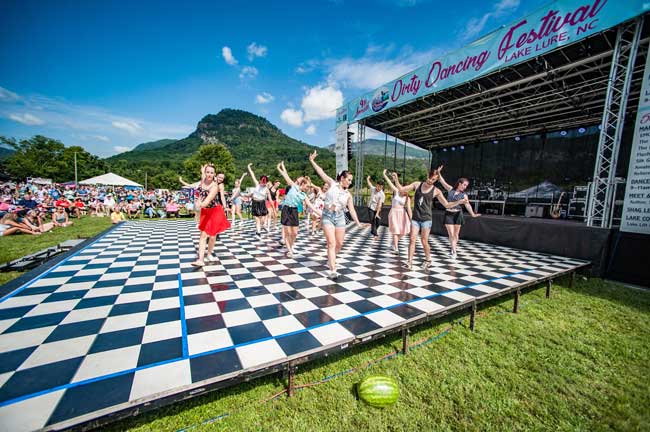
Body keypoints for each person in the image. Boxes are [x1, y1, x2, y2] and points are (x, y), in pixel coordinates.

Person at [394, 168, 468, 270]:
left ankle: (428, 259)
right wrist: (396, 179)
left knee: (424, 241)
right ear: (427, 176)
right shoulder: (417, 184)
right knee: (412, 239)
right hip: (416, 218)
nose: (430, 180)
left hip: (426, 219)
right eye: (429, 178)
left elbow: (446, 205)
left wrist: (458, 202)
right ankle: (409, 261)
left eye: (433, 179)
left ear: (436, 180)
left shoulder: (436, 191)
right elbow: (402, 190)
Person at [309, 150, 364, 279]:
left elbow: (352, 210)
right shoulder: (332, 184)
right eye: (349, 180)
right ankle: (333, 269)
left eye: (351, 180)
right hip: (327, 216)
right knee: (331, 243)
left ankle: (331, 258)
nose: (350, 182)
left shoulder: (348, 195)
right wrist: (312, 161)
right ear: (342, 178)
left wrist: (358, 223)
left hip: (340, 218)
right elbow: (321, 172)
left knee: (339, 244)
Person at [437, 167, 481, 259]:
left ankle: (453, 248)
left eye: (466, 186)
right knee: (451, 234)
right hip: (449, 214)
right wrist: (438, 172)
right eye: (464, 185)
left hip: (458, 214)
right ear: (459, 184)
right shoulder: (450, 189)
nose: (465, 187)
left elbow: (467, 205)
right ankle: (454, 252)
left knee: (456, 235)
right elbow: (442, 181)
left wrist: (472, 214)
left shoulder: (464, 195)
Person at [192, 164, 231, 267]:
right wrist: (197, 203)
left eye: (211, 172)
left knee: (213, 236)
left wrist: (198, 205)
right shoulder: (202, 181)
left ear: (214, 174)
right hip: (205, 212)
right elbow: (198, 196)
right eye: (207, 172)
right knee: (203, 235)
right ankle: (200, 259)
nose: (209, 174)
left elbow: (207, 201)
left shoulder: (215, 186)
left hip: (215, 211)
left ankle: (209, 253)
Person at [276, 161, 316, 258]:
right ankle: (289, 250)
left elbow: (310, 205)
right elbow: (285, 175)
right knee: (288, 232)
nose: (307, 188)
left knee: (294, 233)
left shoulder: (303, 195)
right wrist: (279, 168)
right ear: (302, 184)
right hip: (286, 210)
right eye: (307, 186)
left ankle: (290, 246)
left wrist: (321, 213)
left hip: (294, 211)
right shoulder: (293, 186)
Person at [382, 170, 412, 254]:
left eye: (407, 190)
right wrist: (384, 175)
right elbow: (389, 183)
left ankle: (393, 243)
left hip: (402, 214)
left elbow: (409, 209)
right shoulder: (396, 191)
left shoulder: (407, 198)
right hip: (394, 212)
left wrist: (411, 219)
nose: (405, 190)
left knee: (403, 232)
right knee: (396, 230)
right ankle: (396, 248)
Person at [247, 163, 272, 238]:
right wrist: (249, 167)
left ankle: (263, 226)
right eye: (262, 181)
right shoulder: (257, 184)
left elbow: (270, 199)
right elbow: (252, 175)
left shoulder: (266, 189)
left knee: (262, 220)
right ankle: (258, 233)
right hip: (255, 203)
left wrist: (273, 208)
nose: (263, 183)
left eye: (264, 182)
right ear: (260, 180)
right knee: (257, 220)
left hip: (262, 204)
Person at [366, 176, 385, 240]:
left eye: (381, 187)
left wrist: (377, 213)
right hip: (370, 207)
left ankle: (373, 231)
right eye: (378, 186)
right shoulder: (373, 189)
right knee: (373, 221)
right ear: (376, 185)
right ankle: (375, 235)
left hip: (377, 209)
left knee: (378, 222)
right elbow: (370, 184)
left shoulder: (382, 194)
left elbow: (380, 205)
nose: (379, 188)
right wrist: (368, 179)